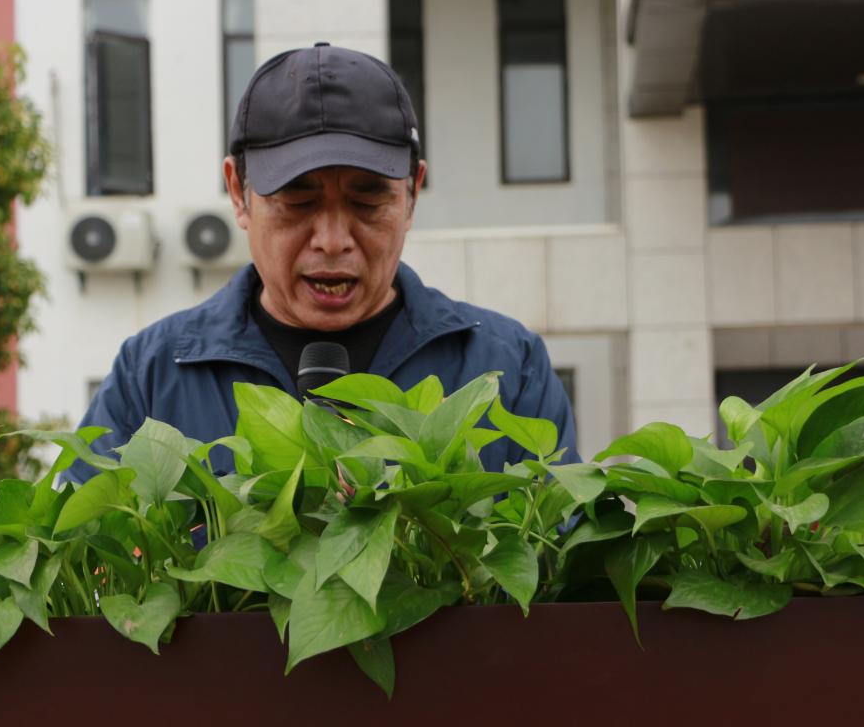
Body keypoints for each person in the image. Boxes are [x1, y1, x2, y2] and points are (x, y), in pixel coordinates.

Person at [67, 43, 578, 482]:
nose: (332, 241)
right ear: (238, 194)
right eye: (298, 201)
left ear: (413, 194)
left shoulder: (505, 369)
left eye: (367, 201)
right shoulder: (154, 376)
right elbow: (82, 566)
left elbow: (565, 572)